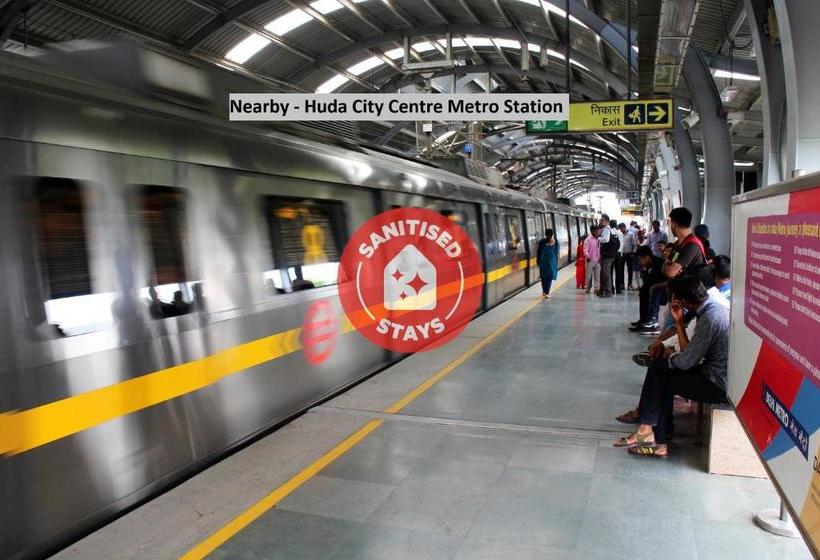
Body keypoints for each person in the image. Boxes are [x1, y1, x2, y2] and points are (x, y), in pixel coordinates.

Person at [613, 275, 729, 457]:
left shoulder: (709, 318)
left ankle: (655, 437)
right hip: (715, 375)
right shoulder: (713, 309)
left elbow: (685, 362)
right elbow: (689, 353)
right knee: (660, 370)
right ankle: (651, 433)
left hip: (716, 385)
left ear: (682, 301)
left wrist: (670, 355)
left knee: (661, 374)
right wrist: (679, 323)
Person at [629, 245, 665, 331]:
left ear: (647, 257)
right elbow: (647, 281)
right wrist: (645, 270)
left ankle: (652, 320)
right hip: (655, 288)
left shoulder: (659, 263)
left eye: (641, 259)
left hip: (665, 291)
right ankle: (643, 320)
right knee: (643, 290)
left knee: (654, 290)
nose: (640, 262)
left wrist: (652, 285)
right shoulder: (648, 265)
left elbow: (660, 280)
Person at [598, 214, 618, 297]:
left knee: (606, 273)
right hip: (610, 255)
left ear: (607, 221)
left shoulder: (606, 229)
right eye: (600, 220)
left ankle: (607, 292)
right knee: (605, 273)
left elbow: (606, 240)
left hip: (607, 255)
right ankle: (605, 290)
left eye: (602, 220)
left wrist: (597, 238)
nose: (600, 221)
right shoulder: (610, 229)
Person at [536, 228, 559, 299]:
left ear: (545, 234)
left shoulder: (542, 242)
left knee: (543, 277)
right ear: (552, 234)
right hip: (551, 262)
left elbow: (538, 252)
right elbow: (556, 253)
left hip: (543, 261)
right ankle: (547, 292)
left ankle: (544, 291)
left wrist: (538, 261)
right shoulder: (555, 242)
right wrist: (556, 262)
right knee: (549, 277)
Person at [620, 223, 638, 290]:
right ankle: (622, 284)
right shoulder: (620, 234)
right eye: (620, 229)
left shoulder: (631, 234)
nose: (621, 230)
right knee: (621, 270)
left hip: (629, 254)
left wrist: (633, 253)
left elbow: (634, 244)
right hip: (622, 254)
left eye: (622, 228)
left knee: (630, 270)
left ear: (624, 227)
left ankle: (629, 284)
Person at [584, 225, 601, 294]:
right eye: (596, 231)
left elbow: (600, 249)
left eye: (598, 231)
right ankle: (588, 287)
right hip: (590, 260)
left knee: (597, 275)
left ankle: (596, 288)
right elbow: (585, 249)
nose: (597, 232)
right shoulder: (588, 239)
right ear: (592, 231)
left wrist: (600, 257)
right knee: (588, 275)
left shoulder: (599, 239)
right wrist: (588, 257)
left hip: (597, 260)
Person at [611, 220, 625, 294]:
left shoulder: (610, 232)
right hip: (618, 254)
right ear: (616, 225)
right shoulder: (620, 233)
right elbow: (622, 244)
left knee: (610, 271)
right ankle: (618, 288)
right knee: (618, 271)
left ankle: (611, 288)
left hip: (611, 254)